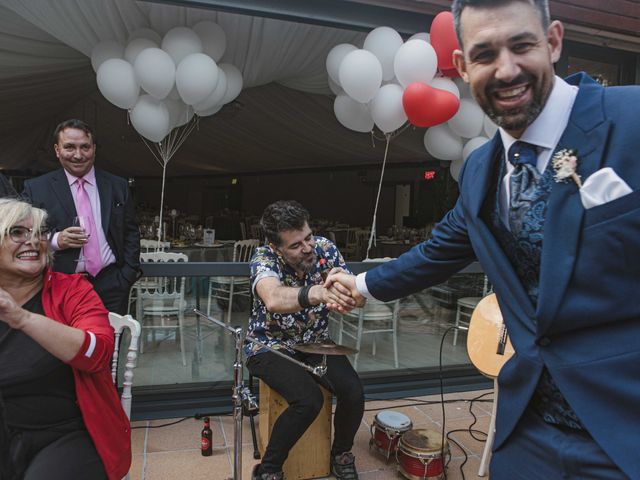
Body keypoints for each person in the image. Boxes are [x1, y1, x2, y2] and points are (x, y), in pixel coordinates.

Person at [326, 1, 640, 478]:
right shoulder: (479, 170)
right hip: (528, 430)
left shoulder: (632, 120)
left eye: (522, 45)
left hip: (625, 430)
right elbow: (437, 252)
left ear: (553, 41)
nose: (507, 69)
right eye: (486, 53)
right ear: (463, 66)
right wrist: (359, 285)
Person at [0, 198, 131, 480]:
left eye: (39, 234)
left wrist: (21, 318)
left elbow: (98, 354)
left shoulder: (72, 290)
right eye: (18, 233)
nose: (33, 242)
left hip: (68, 432)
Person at [247, 200, 364, 480]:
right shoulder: (263, 257)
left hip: (316, 342)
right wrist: (319, 293)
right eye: (296, 245)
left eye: (308, 237)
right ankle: (269, 469)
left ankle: (341, 454)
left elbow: (358, 300)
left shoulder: (325, 248)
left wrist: (351, 294)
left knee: (354, 393)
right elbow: (273, 298)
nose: (308, 247)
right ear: (277, 248)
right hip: (269, 346)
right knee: (308, 400)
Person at [22, 119, 140, 314]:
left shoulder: (117, 186)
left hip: (112, 283)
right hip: (60, 284)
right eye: (69, 147)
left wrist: (126, 276)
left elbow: (130, 233)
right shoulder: (37, 188)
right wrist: (56, 240)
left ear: (93, 149)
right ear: (57, 150)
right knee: (65, 343)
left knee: (109, 342)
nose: (78, 155)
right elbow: (23, 234)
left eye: (85, 147)